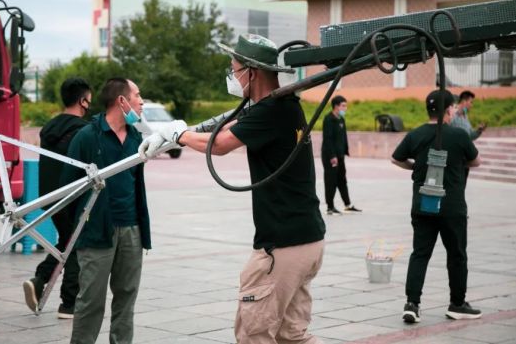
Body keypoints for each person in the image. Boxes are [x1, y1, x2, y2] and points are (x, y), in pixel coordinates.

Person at [139, 34, 326, 344]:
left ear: (251, 72)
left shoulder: (270, 111)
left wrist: (178, 136)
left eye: (234, 67)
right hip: (307, 240)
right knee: (292, 337)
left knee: (254, 334)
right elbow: (230, 128)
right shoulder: (284, 106)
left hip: (282, 245)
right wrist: (182, 131)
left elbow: (222, 144)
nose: (231, 74)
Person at [61, 78, 150, 344]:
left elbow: (136, 184)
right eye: (137, 95)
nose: (142, 101)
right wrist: (81, 228)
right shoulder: (88, 136)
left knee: (126, 298)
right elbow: (68, 188)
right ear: (122, 101)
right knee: (90, 301)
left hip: (131, 229)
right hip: (97, 232)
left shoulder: (136, 137)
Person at [391, 89, 482, 324]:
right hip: (452, 207)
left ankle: (412, 304)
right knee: (457, 255)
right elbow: (476, 160)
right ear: (449, 109)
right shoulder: (459, 136)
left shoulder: (416, 135)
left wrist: (415, 166)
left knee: (420, 253)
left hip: (423, 204)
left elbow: (396, 158)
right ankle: (457, 303)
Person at [22, 77, 92, 319]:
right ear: (83, 101)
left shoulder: (49, 127)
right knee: (75, 244)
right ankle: (68, 303)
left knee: (66, 241)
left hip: (51, 198)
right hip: (72, 196)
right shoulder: (82, 130)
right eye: (89, 100)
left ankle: (39, 280)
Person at [321, 95, 361, 215]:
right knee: (331, 181)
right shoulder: (328, 119)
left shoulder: (341, 120)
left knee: (342, 180)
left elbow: (343, 137)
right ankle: (330, 207)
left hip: (340, 156)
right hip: (330, 157)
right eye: (343, 105)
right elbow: (327, 140)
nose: (345, 108)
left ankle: (347, 204)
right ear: (336, 106)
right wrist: (332, 156)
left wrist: (345, 151)